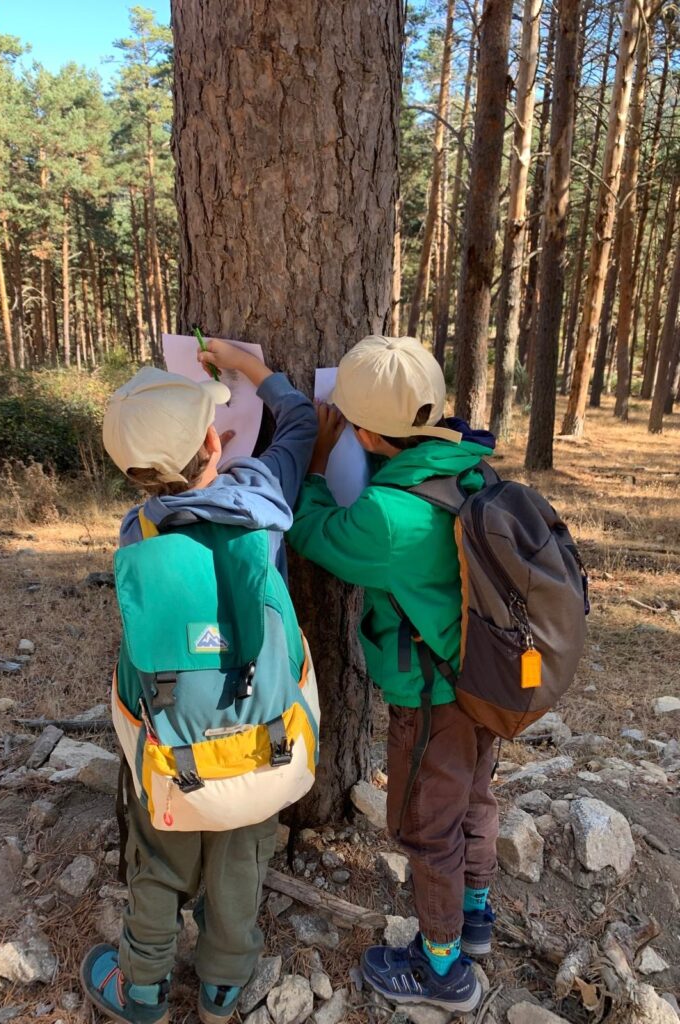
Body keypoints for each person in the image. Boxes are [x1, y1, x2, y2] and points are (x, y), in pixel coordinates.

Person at [81, 341, 317, 1024]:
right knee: (241, 855)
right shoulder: (262, 498)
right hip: (259, 736)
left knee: (157, 854)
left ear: (132, 471)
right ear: (216, 439)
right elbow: (300, 423)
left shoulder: (137, 530)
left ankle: (144, 989)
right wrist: (254, 370)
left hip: (174, 741)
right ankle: (221, 987)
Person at [288, 335, 498, 1015]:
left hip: (433, 700)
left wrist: (318, 465)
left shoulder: (389, 517)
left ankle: (442, 969)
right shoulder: (469, 466)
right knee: (472, 801)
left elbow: (314, 534)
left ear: (369, 432)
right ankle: (476, 915)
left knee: (425, 827)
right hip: (485, 684)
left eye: (348, 420)